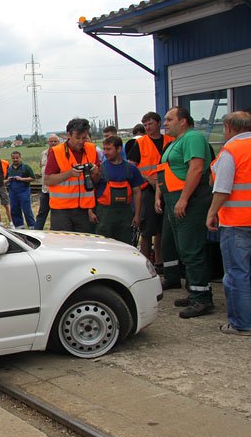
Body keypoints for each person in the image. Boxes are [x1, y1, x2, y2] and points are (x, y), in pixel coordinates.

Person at [155, 106, 215, 318]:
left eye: (169, 119)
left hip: (189, 200)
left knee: (192, 248)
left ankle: (202, 300)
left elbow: (196, 168)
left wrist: (183, 198)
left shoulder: (193, 137)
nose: (165, 124)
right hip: (174, 200)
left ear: (183, 121)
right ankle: (196, 292)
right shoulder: (176, 142)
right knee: (184, 249)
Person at [206, 111, 251, 335]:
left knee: (237, 273)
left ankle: (241, 323)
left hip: (237, 222)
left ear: (229, 128)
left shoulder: (231, 151)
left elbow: (222, 188)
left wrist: (212, 212)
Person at [128, 112, 175, 277]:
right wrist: (148, 178)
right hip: (148, 190)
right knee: (147, 229)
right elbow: (132, 167)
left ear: (158, 124)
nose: (147, 127)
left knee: (163, 229)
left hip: (167, 188)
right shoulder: (140, 144)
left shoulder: (170, 141)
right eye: (145, 125)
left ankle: (160, 262)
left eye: (150, 124)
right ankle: (145, 264)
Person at [45, 118, 101, 232]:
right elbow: (47, 180)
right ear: (68, 135)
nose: (81, 141)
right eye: (78, 138)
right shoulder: (57, 152)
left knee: (84, 245)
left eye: (84, 138)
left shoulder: (91, 149)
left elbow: (97, 179)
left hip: (84, 210)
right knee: (63, 246)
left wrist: (96, 173)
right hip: (61, 211)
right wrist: (69, 173)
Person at [92, 136, 143, 244]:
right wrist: (90, 212)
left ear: (119, 149)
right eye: (104, 149)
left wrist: (137, 215)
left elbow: (137, 192)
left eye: (109, 149)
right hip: (104, 216)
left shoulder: (131, 169)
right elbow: (90, 191)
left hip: (125, 215)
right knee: (104, 245)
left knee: (126, 246)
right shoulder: (100, 168)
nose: (105, 152)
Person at [34, 134, 60, 230]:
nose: (53, 143)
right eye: (51, 141)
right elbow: (42, 167)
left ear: (58, 142)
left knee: (56, 214)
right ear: (48, 142)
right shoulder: (43, 154)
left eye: (55, 141)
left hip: (57, 190)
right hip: (45, 190)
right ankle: (36, 231)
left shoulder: (62, 154)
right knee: (42, 212)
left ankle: (53, 232)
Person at [6, 151, 35, 228]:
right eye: (13, 158)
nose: (15, 159)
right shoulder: (9, 168)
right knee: (14, 211)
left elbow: (33, 178)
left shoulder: (26, 167)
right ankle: (20, 228)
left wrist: (21, 179)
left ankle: (32, 227)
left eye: (17, 158)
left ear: (20, 158)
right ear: (11, 158)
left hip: (24, 192)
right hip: (13, 193)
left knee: (27, 211)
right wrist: (7, 180)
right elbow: (4, 181)